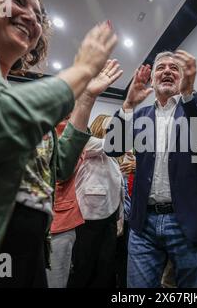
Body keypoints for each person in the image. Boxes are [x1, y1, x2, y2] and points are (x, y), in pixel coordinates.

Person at [0, 0, 117, 287]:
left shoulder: (19, 97)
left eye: (39, 14)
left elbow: (60, 169)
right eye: (17, 0)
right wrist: (81, 69)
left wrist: (86, 99)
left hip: (28, 256)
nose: (31, 16)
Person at [106, 50, 197, 288]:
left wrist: (189, 95)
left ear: (183, 78)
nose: (167, 71)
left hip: (188, 222)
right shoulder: (140, 115)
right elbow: (113, 148)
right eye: (161, 67)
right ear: (152, 80)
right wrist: (128, 104)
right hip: (144, 224)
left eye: (174, 68)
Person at [47, 60, 123, 288]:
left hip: (97, 215)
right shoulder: (82, 140)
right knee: (71, 274)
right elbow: (113, 144)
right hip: (77, 217)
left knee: (101, 269)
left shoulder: (94, 145)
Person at [68, 114, 125, 288]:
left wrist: (119, 218)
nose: (113, 134)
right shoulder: (88, 144)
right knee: (83, 269)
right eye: (110, 129)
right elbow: (108, 145)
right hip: (87, 220)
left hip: (109, 219)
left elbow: (118, 189)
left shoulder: (112, 159)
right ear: (99, 128)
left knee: (104, 269)